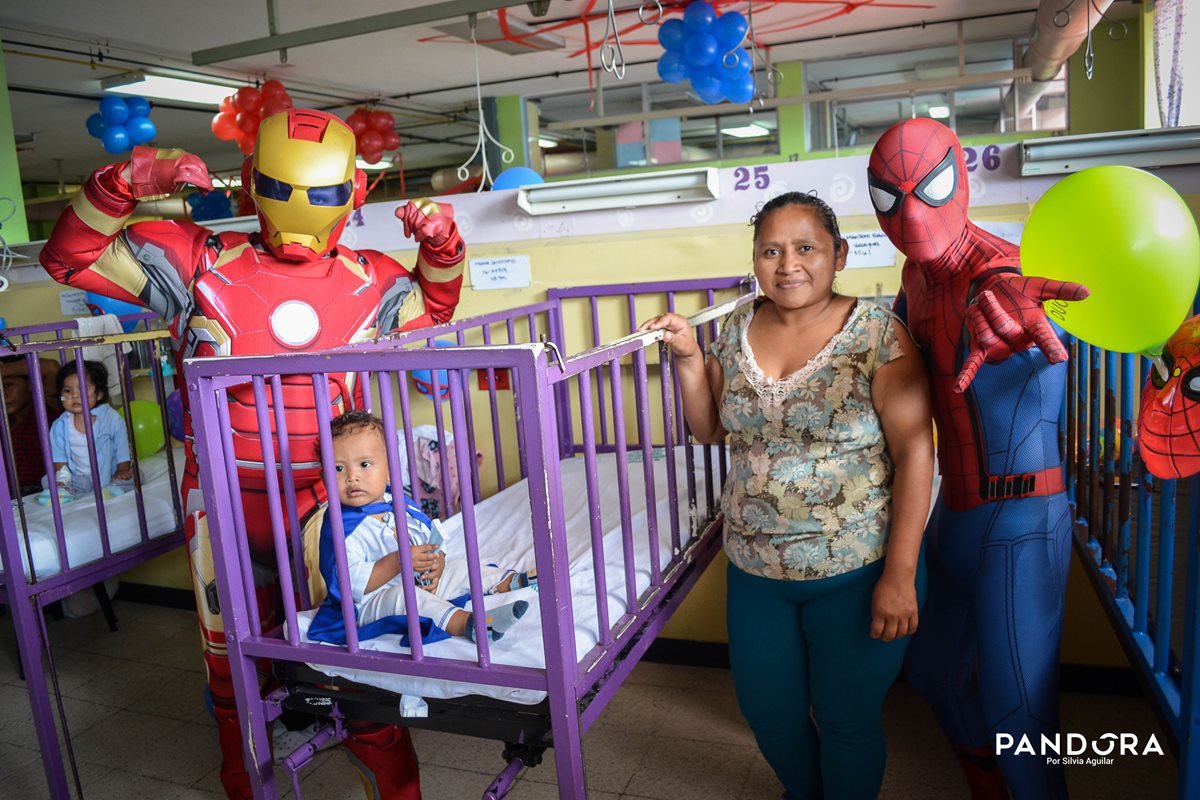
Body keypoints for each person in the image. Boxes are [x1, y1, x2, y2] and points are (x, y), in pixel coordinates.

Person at [39, 108, 466, 800]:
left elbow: (436, 303)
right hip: (222, 499)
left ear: (354, 194)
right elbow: (69, 257)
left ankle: (388, 772)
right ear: (249, 183)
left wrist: (444, 243)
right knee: (229, 658)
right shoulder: (196, 263)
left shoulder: (371, 279)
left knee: (354, 647)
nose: (300, 212)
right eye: (281, 189)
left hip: (328, 501)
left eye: (322, 193)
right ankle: (248, 770)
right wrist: (122, 183)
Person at [639, 191, 934, 799]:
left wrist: (901, 574)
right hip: (755, 571)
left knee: (847, 719)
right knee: (769, 715)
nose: (788, 264)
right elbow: (709, 428)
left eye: (806, 248)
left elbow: (915, 453)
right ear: (755, 259)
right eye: (771, 251)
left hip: (858, 567)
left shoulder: (876, 333)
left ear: (839, 255)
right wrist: (689, 357)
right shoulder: (734, 330)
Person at [867, 118, 1088, 799]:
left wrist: (1009, 305)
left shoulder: (1001, 271)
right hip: (955, 516)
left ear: (961, 178)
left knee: (1021, 719)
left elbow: (1007, 290)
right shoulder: (915, 275)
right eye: (891, 197)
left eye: (929, 188)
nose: (911, 215)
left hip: (1023, 521)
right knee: (932, 673)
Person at [307, 410, 534, 647]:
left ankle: (512, 581)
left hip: (416, 583)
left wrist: (436, 564)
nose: (352, 477)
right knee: (405, 597)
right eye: (338, 469)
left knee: (459, 567)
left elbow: (430, 541)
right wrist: (399, 562)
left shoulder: (399, 503)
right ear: (324, 478)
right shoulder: (340, 526)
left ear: (389, 470)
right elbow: (346, 582)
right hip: (368, 605)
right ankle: (470, 624)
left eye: (364, 464)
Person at [40, 359, 132, 503]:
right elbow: (59, 460)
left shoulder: (111, 418)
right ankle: (64, 492)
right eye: (67, 391)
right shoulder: (59, 425)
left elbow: (122, 450)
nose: (75, 395)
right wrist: (62, 480)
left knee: (135, 474)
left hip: (110, 473)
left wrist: (122, 470)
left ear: (99, 394)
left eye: (83, 388)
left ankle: (113, 488)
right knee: (48, 479)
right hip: (80, 480)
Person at [1, 355, 61, 496]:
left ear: (31, 384)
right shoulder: (4, 422)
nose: (3, 395)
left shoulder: (47, 408)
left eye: (7, 385)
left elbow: (51, 368)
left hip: (45, 493)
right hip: (10, 498)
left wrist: (3, 370)